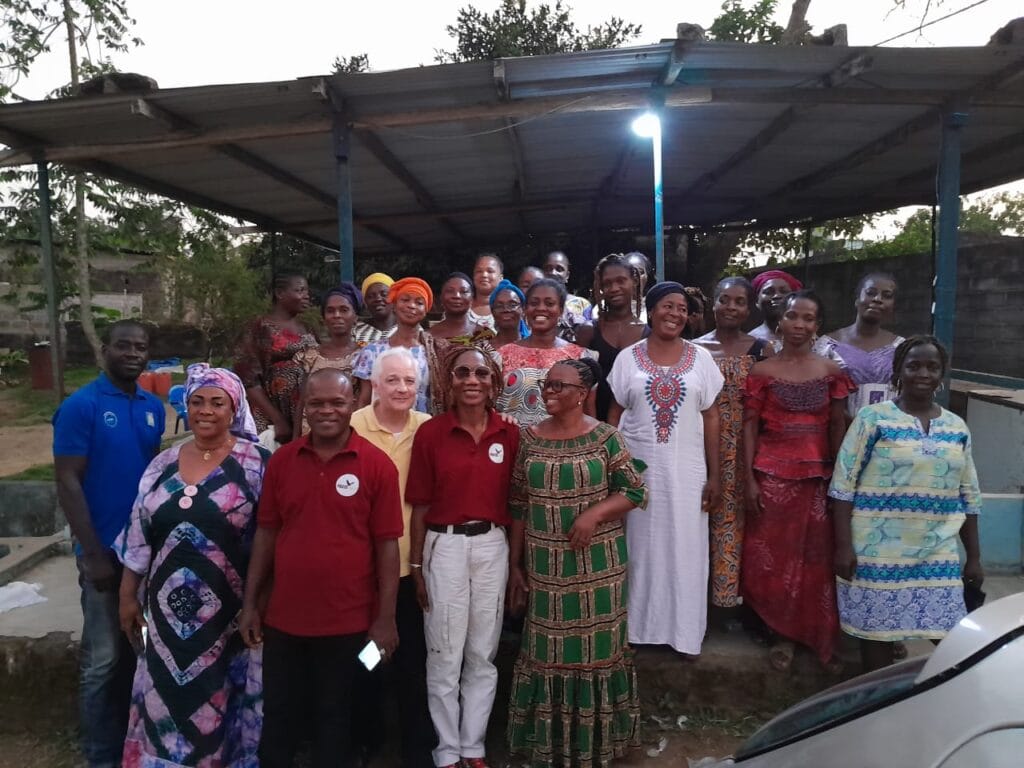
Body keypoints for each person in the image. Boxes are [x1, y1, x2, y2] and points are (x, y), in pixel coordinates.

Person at [239, 369, 402, 768]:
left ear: (352, 405)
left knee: (336, 719)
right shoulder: (282, 461)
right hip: (284, 620)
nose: (327, 410)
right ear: (304, 407)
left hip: (349, 623)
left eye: (337, 402)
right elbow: (266, 533)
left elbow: (387, 547)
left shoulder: (377, 465)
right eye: (317, 403)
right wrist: (251, 603)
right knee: (280, 716)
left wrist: (385, 619)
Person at [116, 364, 268, 767]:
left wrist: (257, 603)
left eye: (217, 402)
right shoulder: (162, 464)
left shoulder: (257, 465)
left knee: (222, 701)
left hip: (230, 618)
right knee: (162, 696)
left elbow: (270, 540)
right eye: (197, 401)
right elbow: (138, 532)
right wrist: (127, 595)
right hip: (165, 618)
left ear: (234, 409)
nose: (205, 411)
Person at [506, 358, 648, 768]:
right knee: (545, 650)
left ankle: (598, 745)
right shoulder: (529, 439)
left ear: (583, 393)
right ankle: (549, 745)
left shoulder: (606, 437)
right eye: (547, 384)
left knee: (597, 653)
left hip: (598, 568)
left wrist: (593, 515)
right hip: (545, 568)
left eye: (560, 386)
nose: (549, 391)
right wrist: (515, 566)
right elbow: (518, 505)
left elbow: (635, 492)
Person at [830, 336, 984, 672]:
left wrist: (973, 558)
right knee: (878, 637)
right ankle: (879, 700)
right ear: (899, 370)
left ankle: (941, 698)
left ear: (941, 374)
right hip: (876, 553)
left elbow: (969, 496)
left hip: (936, 551)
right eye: (914, 366)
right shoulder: (872, 419)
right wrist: (843, 547)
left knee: (953, 642)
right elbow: (842, 485)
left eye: (932, 367)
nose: (923, 374)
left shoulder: (956, 427)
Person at [52, 320, 166, 768]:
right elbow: (67, 480)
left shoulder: (153, 407)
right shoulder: (81, 406)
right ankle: (100, 755)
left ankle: (130, 745)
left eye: (140, 347)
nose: (133, 353)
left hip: (143, 557)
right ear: (106, 350)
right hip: (102, 556)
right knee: (102, 661)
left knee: (137, 654)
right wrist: (93, 553)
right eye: (124, 346)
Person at [406, 347, 519, 768]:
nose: (472, 380)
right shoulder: (431, 434)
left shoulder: (509, 434)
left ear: (493, 383)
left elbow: (517, 503)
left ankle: (474, 747)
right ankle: (446, 751)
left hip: (492, 545)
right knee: (444, 652)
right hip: (445, 546)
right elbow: (419, 505)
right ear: (449, 382)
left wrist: (516, 567)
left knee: (482, 653)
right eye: (462, 373)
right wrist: (417, 567)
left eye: (481, 373)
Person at [607, 283, 724, 655]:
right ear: (651, 310)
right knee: (640, 547)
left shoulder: (701, 359)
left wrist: (715, 474)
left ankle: (684, 635)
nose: (675, 314)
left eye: (682, 309)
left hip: (688, 474)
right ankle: (636, 631)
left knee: (686, 548)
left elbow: (711, 416)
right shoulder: (628, 358)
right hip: (638, 471)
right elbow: (614, 415)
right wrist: (613, 470)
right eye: (667, 306)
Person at [742, 290, 854, 672]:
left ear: (817, 326)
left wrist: (841, 480)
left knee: (816, 561)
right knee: (772, 560)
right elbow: (749, 428)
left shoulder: (831, 372)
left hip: (819, 479)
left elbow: (837, 426)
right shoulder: (761, 372)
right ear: (780, 320)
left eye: (808, 318)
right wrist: (749, 480)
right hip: (771, 478)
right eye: (792, 316)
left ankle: (818, 635)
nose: (799, 325)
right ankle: (782, 635)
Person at [350, 348, 435, 768]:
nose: (402, 388)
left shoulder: (428, 429)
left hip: (410, 569)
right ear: (375, 385)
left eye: (409, 381)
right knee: (365, 658)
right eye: (393, 380)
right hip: (361, 571)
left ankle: (416, 748)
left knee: (412, 660)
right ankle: (368, 740)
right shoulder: (352, 427)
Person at [693, 277, 771, 614]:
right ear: (713, 303)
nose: (731, 307)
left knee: (735, 524)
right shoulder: (694, 349)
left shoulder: (761, 350)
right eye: (724, 299)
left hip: (744, 446)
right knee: (698, 520)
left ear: (749, 309)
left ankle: (727, 604)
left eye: (740, 302)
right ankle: (695, 600)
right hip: (699, 443)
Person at [496, 278, 593, 426]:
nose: (541, 308)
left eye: (549, 303)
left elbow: (588, 412)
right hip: (511, 438)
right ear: (525, 309)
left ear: (561, 310)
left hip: (564, 439)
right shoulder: (501, 356)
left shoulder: (579, 357)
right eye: (534, 303)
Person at [234, 272, 317, 440]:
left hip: (305, 412)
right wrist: (277, 419)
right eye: (300, 290)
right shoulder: (259, 328)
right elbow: (248, 379)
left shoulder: (307, 327)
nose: (306, 296)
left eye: (307, 291)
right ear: (279, 293)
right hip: (272, 416)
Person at [815, 273, 904, 418]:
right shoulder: (826, 346)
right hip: (840, 428)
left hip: (890, 428)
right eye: (870, 293)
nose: (877, 299)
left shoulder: (901, 347)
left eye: (887, 296)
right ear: (857, 299)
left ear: (893, 305)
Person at [353, 277, 448, 414]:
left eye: (419, 302)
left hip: (424, 425)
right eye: (405, 300)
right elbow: (364, 400)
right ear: (394, 305)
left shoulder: (435, 351)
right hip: (379, 426)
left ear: (425, 310)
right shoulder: (372, 352)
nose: (411, 306)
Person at [575, 254, 649, 421]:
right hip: (593, 422)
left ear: (634, 282)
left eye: (621, 281)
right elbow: (577, 383)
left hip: (636, 424)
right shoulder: (588, 331)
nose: (614, 288)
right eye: (607, 283)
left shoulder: (648, 335)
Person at [294, 283, 363, 438]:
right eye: (330, 311)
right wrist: (295, 440)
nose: (336, 315)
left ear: (355, 317)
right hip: (310, 434)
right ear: (324, 317)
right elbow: (302, 401)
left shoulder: (364, 356)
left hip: (348, 434)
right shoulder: (311, 355)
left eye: (344, 310)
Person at [431, 272, 495, 345]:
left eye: (464, 292)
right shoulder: (429, 337)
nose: (457, 296)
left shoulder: (485, 336)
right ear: (441, 297)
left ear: (472, 298)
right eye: (450, 291)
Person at [749, 270, 802, 350]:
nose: (777, 296)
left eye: (784, 291)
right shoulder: (749, 342)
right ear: (757, 301)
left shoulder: (808, 339)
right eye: (768, 292)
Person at [542, 250, 591, 337]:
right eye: (548, 268)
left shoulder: (582, 305)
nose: (553, 273)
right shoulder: (533, 304)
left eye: (559, 269)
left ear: (567, 276)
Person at [354, 272, 397, 346]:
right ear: (365, 302)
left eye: (384, 294)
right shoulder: (356, 330)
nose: (378, 299)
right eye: (371, 296)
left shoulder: (408, 328)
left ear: (394, 299)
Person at [489, 279, 529, 349]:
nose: (506, 309)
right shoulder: (484, 349)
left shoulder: (534, 346)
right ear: (492, 312)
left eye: (512, 305)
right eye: (499, 306)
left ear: (523, 310)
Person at [468, 253, 503, 330]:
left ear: (500, 278)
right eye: (479, 271)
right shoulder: (461, 307)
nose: (484, 275)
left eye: (490, 271)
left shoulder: (507, 310)